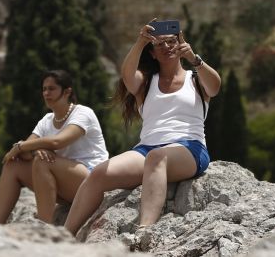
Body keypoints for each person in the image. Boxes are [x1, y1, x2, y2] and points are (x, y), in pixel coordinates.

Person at [64, 19, 220, 236]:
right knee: (99, 173)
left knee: (157, 157)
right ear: (152, 53)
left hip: (190, 148)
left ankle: (144, 232)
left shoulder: (195, 79)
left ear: (180, 43)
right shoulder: (146, 83)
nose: (167, 46)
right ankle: (63, 235)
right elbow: (127, 76)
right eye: (159, 44)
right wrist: (140, 42)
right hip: (147, 149)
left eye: (171, 41)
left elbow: (215, 86)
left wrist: (194, 59)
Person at [0, 70, 108, 225]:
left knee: (43, 161)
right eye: (44, 89)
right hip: (66, 186)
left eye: (51, 89)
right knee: (13, 164)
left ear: (67, 92)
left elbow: (58, 142)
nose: (46, 93)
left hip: (92, 180)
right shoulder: (46, 120)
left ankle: (44, 228)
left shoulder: (83, 113)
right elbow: (23, 154)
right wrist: (35, 149)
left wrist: (21, 146)